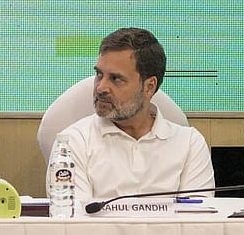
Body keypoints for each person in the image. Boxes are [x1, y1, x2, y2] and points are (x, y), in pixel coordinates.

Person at [52, 27, 215, 203]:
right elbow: (76, 222)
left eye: (116, 79)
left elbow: (198, 221)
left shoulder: (190, 144)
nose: (100, 88)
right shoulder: (72, 142)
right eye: (99, 74)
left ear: (149, 86)